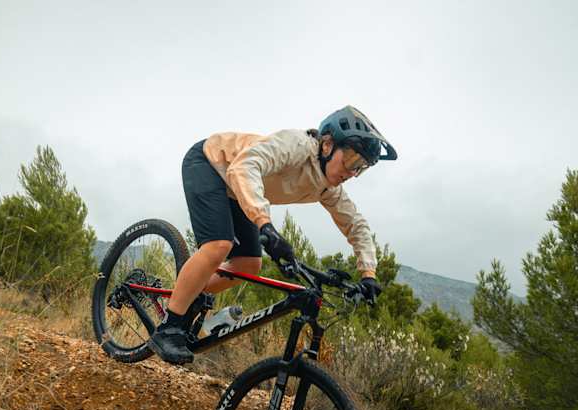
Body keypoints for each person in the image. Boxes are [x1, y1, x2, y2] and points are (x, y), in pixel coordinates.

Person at [149, 105, 397, 365]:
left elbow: (356, 225)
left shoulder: (328, 187)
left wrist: (369, 275)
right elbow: (244, 167)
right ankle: (169, 327)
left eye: (361, 168)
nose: (352, 173)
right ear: (327, 144)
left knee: (249, 265)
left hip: (238, 189)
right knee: (218, 245)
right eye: (352, 160)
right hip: (212, 163)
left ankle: (188, 293)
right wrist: (264, 225)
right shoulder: (298, 145)